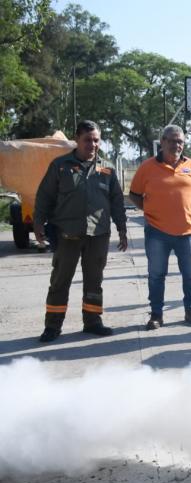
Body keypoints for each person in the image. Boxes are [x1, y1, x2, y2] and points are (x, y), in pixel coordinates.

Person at [33, 120, 128, 342]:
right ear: (77, 140)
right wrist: (38, 223)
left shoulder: (107, 169)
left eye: (96, 140)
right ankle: (52, 326)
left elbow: (116, 201)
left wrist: (122, 228)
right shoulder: (60, 165)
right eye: (87, 140)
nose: (92, 144)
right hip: (67, 234)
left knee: (94, 281)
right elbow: (45, 195)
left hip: (98, 234)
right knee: (60, 281)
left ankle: (93, 322)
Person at [130, 125, 191, 330]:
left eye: (180, 141)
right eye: (172, 141)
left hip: (188, 232)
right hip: (157, 232)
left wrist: (186, 211)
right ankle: (156, 314)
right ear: (162, 142)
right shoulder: (147, 167)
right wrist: (152, 210)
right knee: (156, 275)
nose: (177, 145)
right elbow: (134, 195)